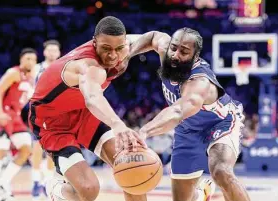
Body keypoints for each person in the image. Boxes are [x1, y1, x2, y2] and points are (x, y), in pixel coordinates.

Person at [28, 16, 147, 201]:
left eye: (119, 48)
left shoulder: (122, 46)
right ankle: (54, 188)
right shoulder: (86, 65)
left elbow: (155, 37)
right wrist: (117, 124)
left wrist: (167, 48)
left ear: (125, 43)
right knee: (89, 189)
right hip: (53, 122)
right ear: (94, 43)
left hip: (84, 113)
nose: (114, 55)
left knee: (133, 172)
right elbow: (92, 98)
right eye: (106, 49)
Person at [130, 28, 250, 201]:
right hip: (187, 128)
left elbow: (178, 111)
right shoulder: (166, 50)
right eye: (174, 48)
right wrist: (127, 56)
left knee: (221, 171)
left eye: (184, 52)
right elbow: (153, 36)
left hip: (220, 123)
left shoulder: (199, 81)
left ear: (195, 55)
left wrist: (144, 131)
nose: (176, 55)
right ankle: (202, 195)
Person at [0, 48, 37, 200]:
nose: (30, 62)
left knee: (26, 149)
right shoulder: (13, 73)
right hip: (4, 113)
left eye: (33, 59)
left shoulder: (32, 79)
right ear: (21, 60)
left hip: (16, 117)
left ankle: (0, 184)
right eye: (27, 59)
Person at [31, 39, 61, 198]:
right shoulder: (36, 68)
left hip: (57, 112)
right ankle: (36, 181)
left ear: (59, 53)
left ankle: (46, 181)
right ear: (44, 52)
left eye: (54, 50)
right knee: (36, 146)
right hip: (38, 110)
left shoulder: (63, 68)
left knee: (52, 148)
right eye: (49, 50)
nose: (52, 53)